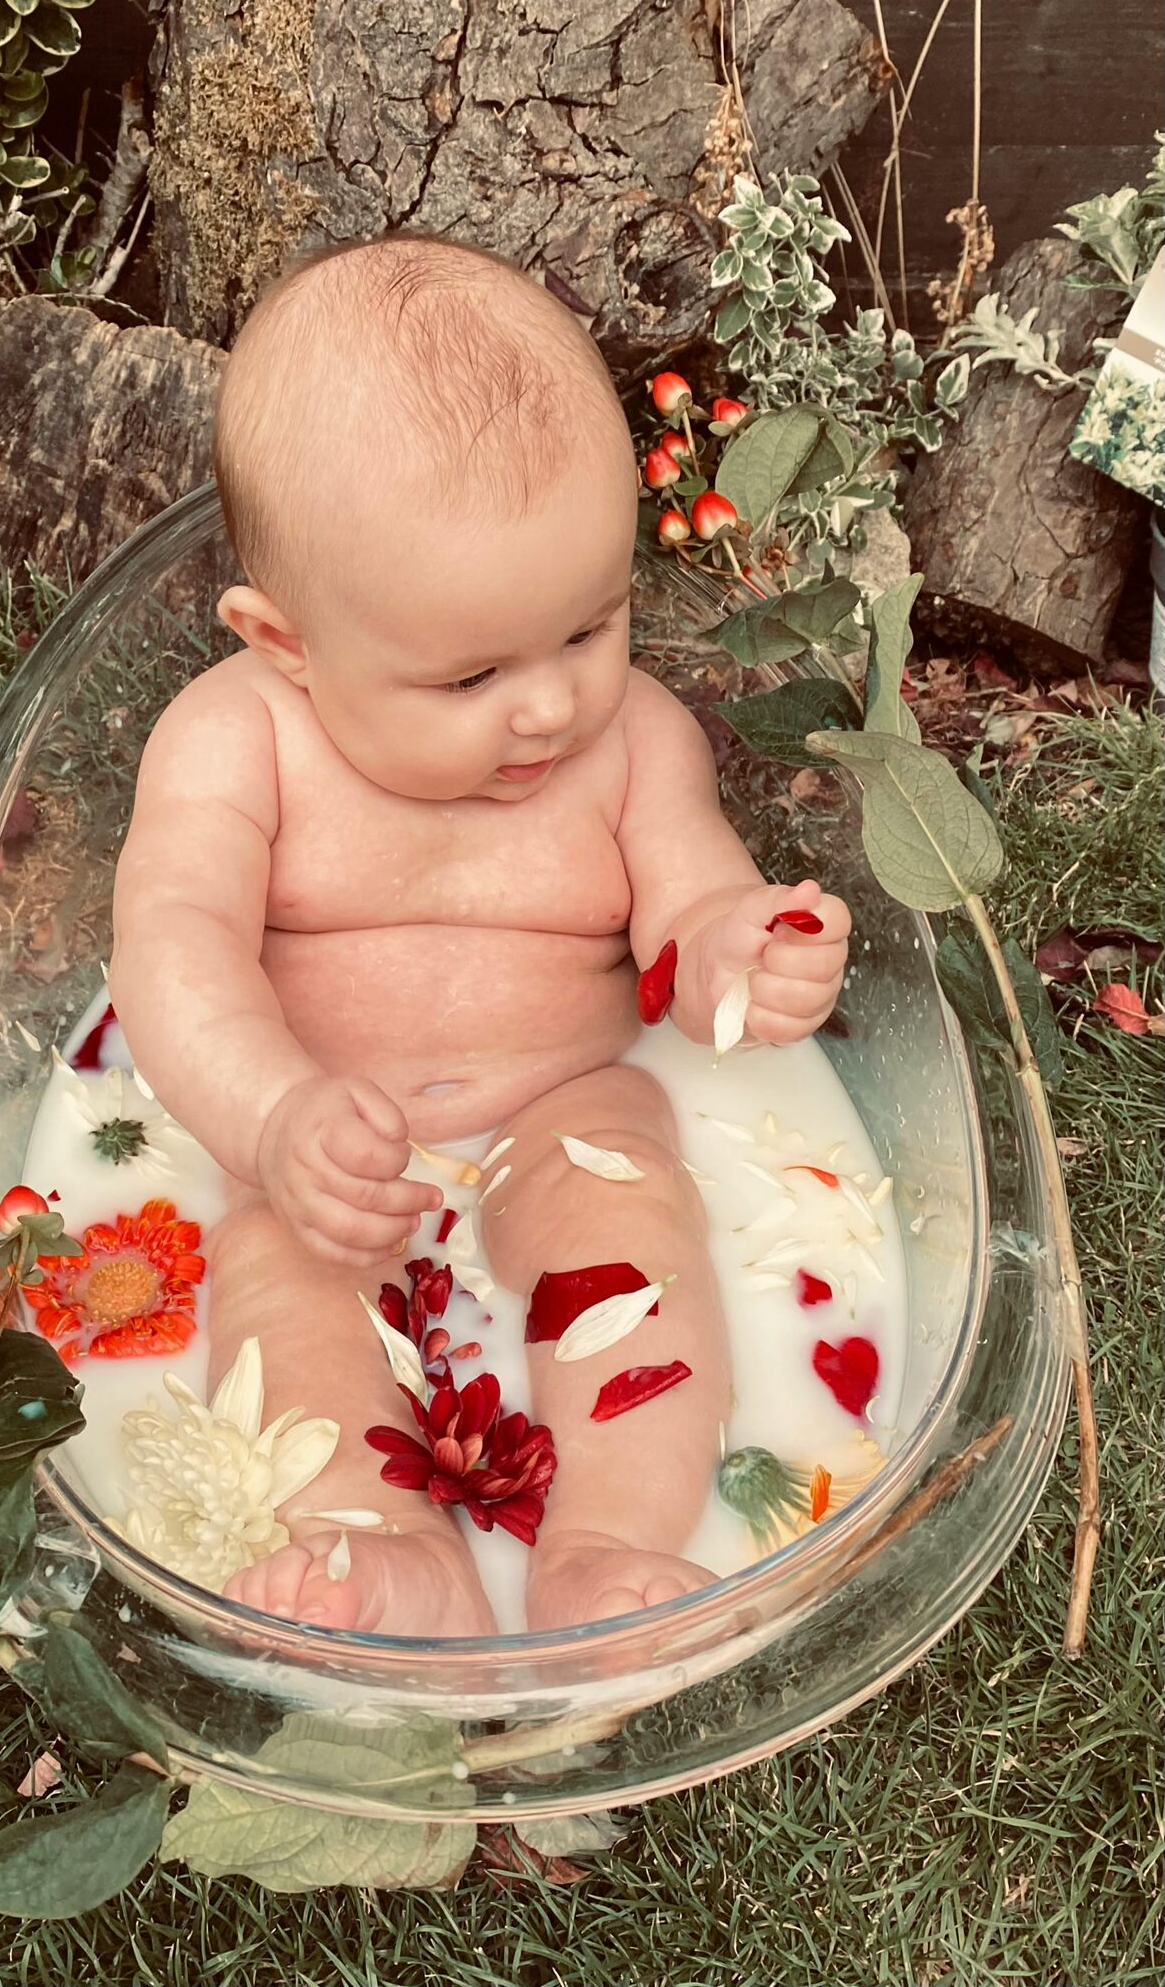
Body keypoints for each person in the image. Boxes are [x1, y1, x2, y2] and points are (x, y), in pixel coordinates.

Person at [111, 233, 850, 1633]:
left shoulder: (636, 743)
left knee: (628, 1231)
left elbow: (684, 923)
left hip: (565, 1099)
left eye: (590, 627)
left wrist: (747, 957)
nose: (549, 710)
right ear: (286, 643)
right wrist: (273, 1120)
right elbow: (173, 948)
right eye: (471, 673)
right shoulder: (231, 743)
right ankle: (378, 1540)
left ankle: (610, 1543)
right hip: (324, 1131)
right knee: (285, 1284)